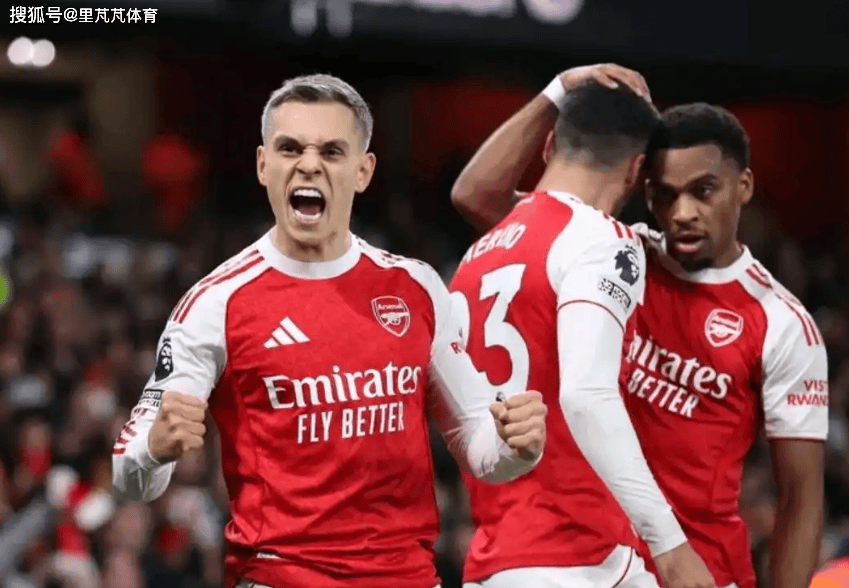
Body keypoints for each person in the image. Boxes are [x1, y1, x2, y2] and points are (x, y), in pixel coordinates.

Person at [112, 73, 548, 588]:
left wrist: (516, 445)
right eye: (290, 148)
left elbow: (478, 445)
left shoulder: (417, 288)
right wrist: (155, 449)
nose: (309, 164)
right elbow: (129, 476)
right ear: (263, 164)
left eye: (332, 151)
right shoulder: (214, 304)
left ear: (363, 171)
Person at [450, 64, 828, 588]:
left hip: (699, 568)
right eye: (664, 194)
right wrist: (559, 90)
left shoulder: (782, 323)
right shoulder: (615, 252)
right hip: (606, 555)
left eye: (703, 191)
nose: (683, 212)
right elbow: (481, 198)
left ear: (743, 187)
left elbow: (801, 499)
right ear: (638, 182)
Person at [447, 68, 714, 588]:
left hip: (494, 560)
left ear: (548, 144)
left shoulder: (479, 254)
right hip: (581, 556)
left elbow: (471, 193)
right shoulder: (600, 239)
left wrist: (556, 89)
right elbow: (586, 396)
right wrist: (672, 548)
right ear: (636, 171)